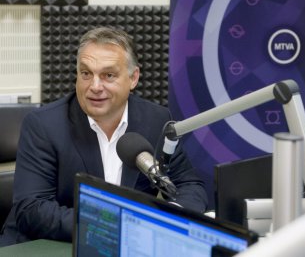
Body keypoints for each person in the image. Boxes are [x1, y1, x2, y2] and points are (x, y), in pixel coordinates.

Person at [0, 27, 208, 246]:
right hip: (46, 245)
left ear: (133, 78)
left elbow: (188, 185)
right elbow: (31, 209)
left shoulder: (155, 119)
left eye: (108, 75)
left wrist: (171, 217)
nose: (95, 87)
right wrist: (115, 227)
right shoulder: (43, 125)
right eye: (86, 73)